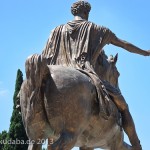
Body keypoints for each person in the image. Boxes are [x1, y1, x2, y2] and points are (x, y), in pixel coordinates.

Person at [27, 1, 150, 149]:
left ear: (74, 13)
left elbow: (45, 57)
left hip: (51, 77)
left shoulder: (55, 31)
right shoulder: (97, 29)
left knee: (37, 139)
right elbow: (124, 45)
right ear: (87, 13)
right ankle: (137, 145)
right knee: (123, 106)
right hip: (85, 72)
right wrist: (146, 53)